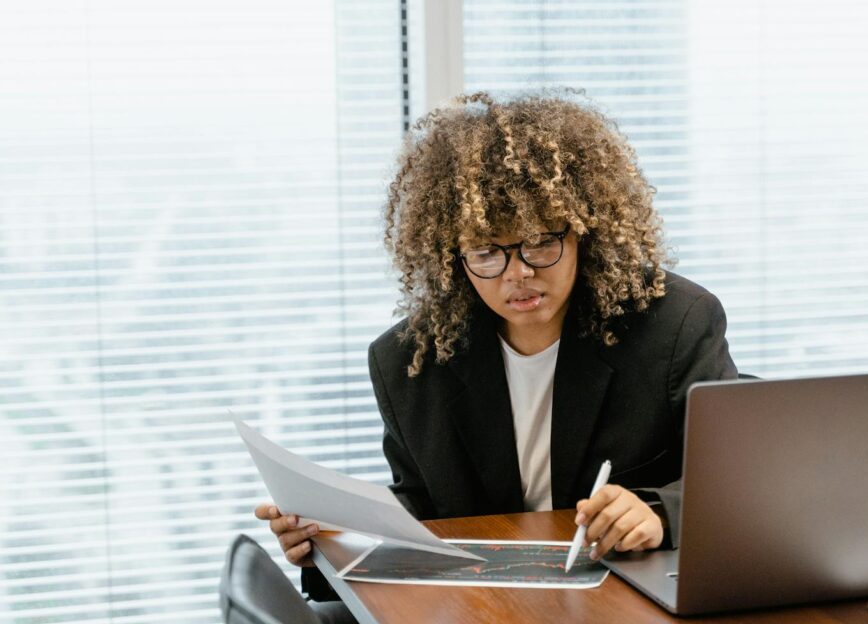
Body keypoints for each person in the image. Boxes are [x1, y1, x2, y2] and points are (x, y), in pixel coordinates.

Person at [253, 91, 738, 601]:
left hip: (628, 599)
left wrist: (660, 513)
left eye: (540, 242)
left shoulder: (674, 324)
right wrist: (329, 541)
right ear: (452, 256)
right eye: (486, 252)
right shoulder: (411, 363)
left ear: (582, 232)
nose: (519, 273)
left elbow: (744, 474)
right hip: (486, 606)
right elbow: (422, 512)